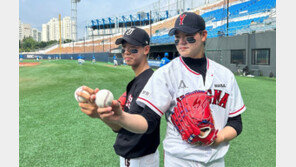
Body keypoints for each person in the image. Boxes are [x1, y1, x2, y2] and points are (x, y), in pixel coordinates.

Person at [97, 12, 246, 167]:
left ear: (203, 35)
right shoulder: (165, 74)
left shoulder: (225, 75)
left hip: (216, 161)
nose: (182, 42)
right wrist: (121, 117)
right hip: (179, 161)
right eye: (177, 37)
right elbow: (148, 121)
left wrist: (218, 138)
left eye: (188, 36)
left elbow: (236, 122)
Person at [76, 27, 160, 167]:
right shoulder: (138, 80)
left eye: (133, 49)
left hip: (140, 159)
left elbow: (143, 126)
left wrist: (112, 116)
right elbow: (121, 126)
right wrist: (102, 114)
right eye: (124, 49)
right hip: (135, 158)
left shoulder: (149, 81)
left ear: (146, 50)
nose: (126, 52)